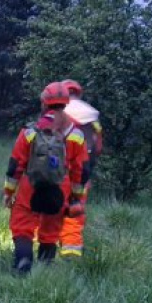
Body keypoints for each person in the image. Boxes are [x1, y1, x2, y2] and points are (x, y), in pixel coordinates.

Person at [3, 82, 88, 275]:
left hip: (30, 186)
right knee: (51, 229)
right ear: (65, 103)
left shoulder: (30, 132)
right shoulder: (76, 135)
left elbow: (16, 165)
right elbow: (80, 170)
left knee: (22, 225)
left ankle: (23, 262)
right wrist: (76, 198)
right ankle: (45, 268)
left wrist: (8, 193)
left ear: (43, 102)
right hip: (60, 187)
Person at [59, 79, 103, 258]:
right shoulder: (92, 115)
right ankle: (71, 251)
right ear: (79, 93)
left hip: (55, 172)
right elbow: (98, 147)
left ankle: (46, 248)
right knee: (74, 212)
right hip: (82, 174)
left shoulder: (57, 111)